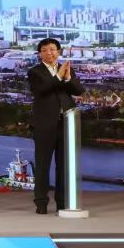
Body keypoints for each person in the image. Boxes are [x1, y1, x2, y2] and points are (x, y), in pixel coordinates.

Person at [27, 38, 85, 214]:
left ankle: (62, 202)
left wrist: (68, 78)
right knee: (42, 165)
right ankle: (41, 203)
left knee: (64, 166)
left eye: (52, 49)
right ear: (40, 54)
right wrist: (58, 76)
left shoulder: (67, 69)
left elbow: (78, 90)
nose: (49, 53)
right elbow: (40, 91)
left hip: (66, 123)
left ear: (58, 52)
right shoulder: (35, 72)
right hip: (44, 124)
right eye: (44, 50)